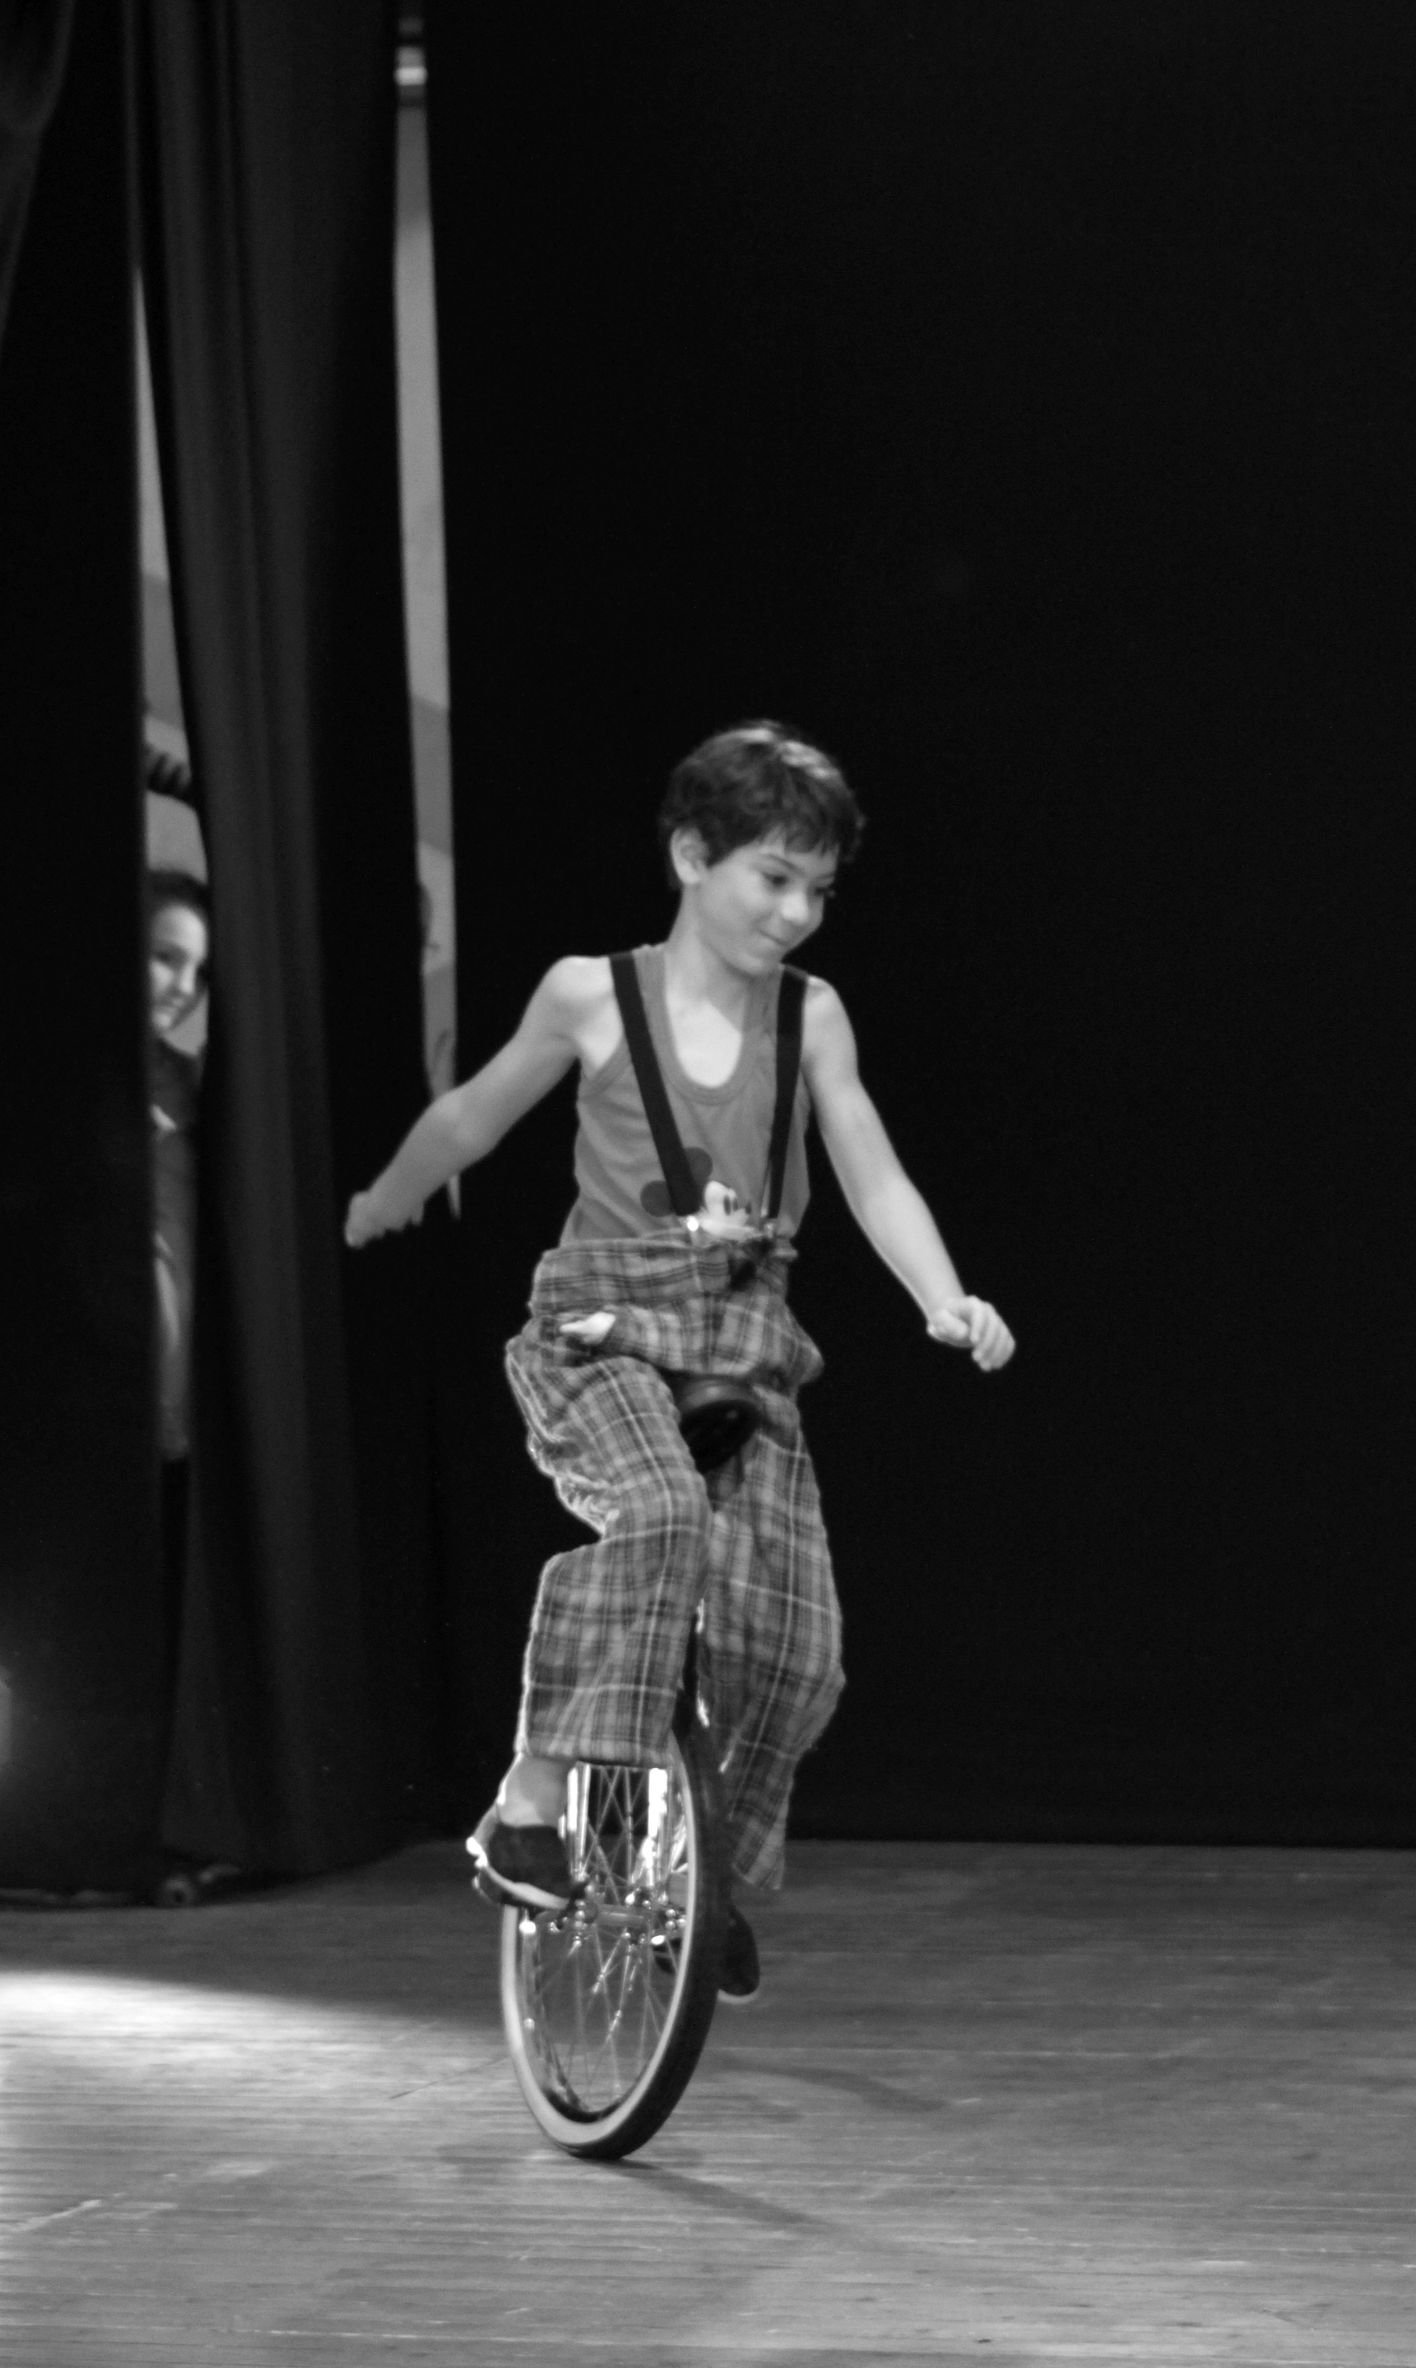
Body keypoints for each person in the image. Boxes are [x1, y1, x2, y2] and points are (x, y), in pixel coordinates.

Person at [345, 721, 1014, 1998]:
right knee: (658, 1518)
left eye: (818, 889)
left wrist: (945, 1295)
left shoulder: (812, 1016)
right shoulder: (592, 993)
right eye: (774, 876)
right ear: (692, 855)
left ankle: (694, 1880)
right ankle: (528, 1800)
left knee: (797, 1651)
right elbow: (473, 1115)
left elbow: (869, 1167)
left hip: (741, 1340)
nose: (796, 912)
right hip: (601, 1328)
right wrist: (384, 1197)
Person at [147, 869, 210, 1464]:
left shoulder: (195, 1084)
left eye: (200, 971)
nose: (183, 988)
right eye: (166, 958)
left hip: (182, 1417)